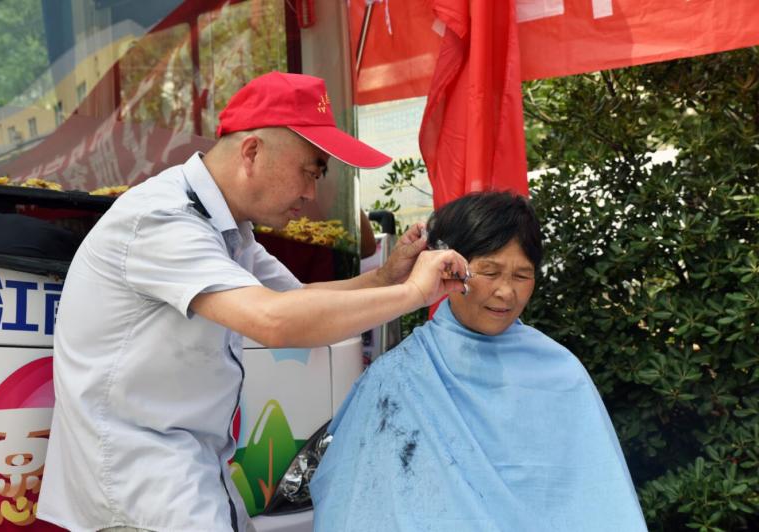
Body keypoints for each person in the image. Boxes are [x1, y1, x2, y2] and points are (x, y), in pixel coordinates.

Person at [36, 71, 467, 532]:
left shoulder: (225, 226)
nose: (311, 194)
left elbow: (296, 299)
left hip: (185, 473)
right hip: (139, 483)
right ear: (252, 152)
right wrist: (412, 294)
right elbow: (274, 321)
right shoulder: (163, 220)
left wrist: (386, 276)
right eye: (310, 171)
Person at [310, 191, 648, 532]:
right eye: (489, 271)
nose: (506, 292)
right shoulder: (396, 377)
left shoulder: (562, 374)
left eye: (522, 276)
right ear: (447, 267)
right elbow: (357, 505)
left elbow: (601, 505)